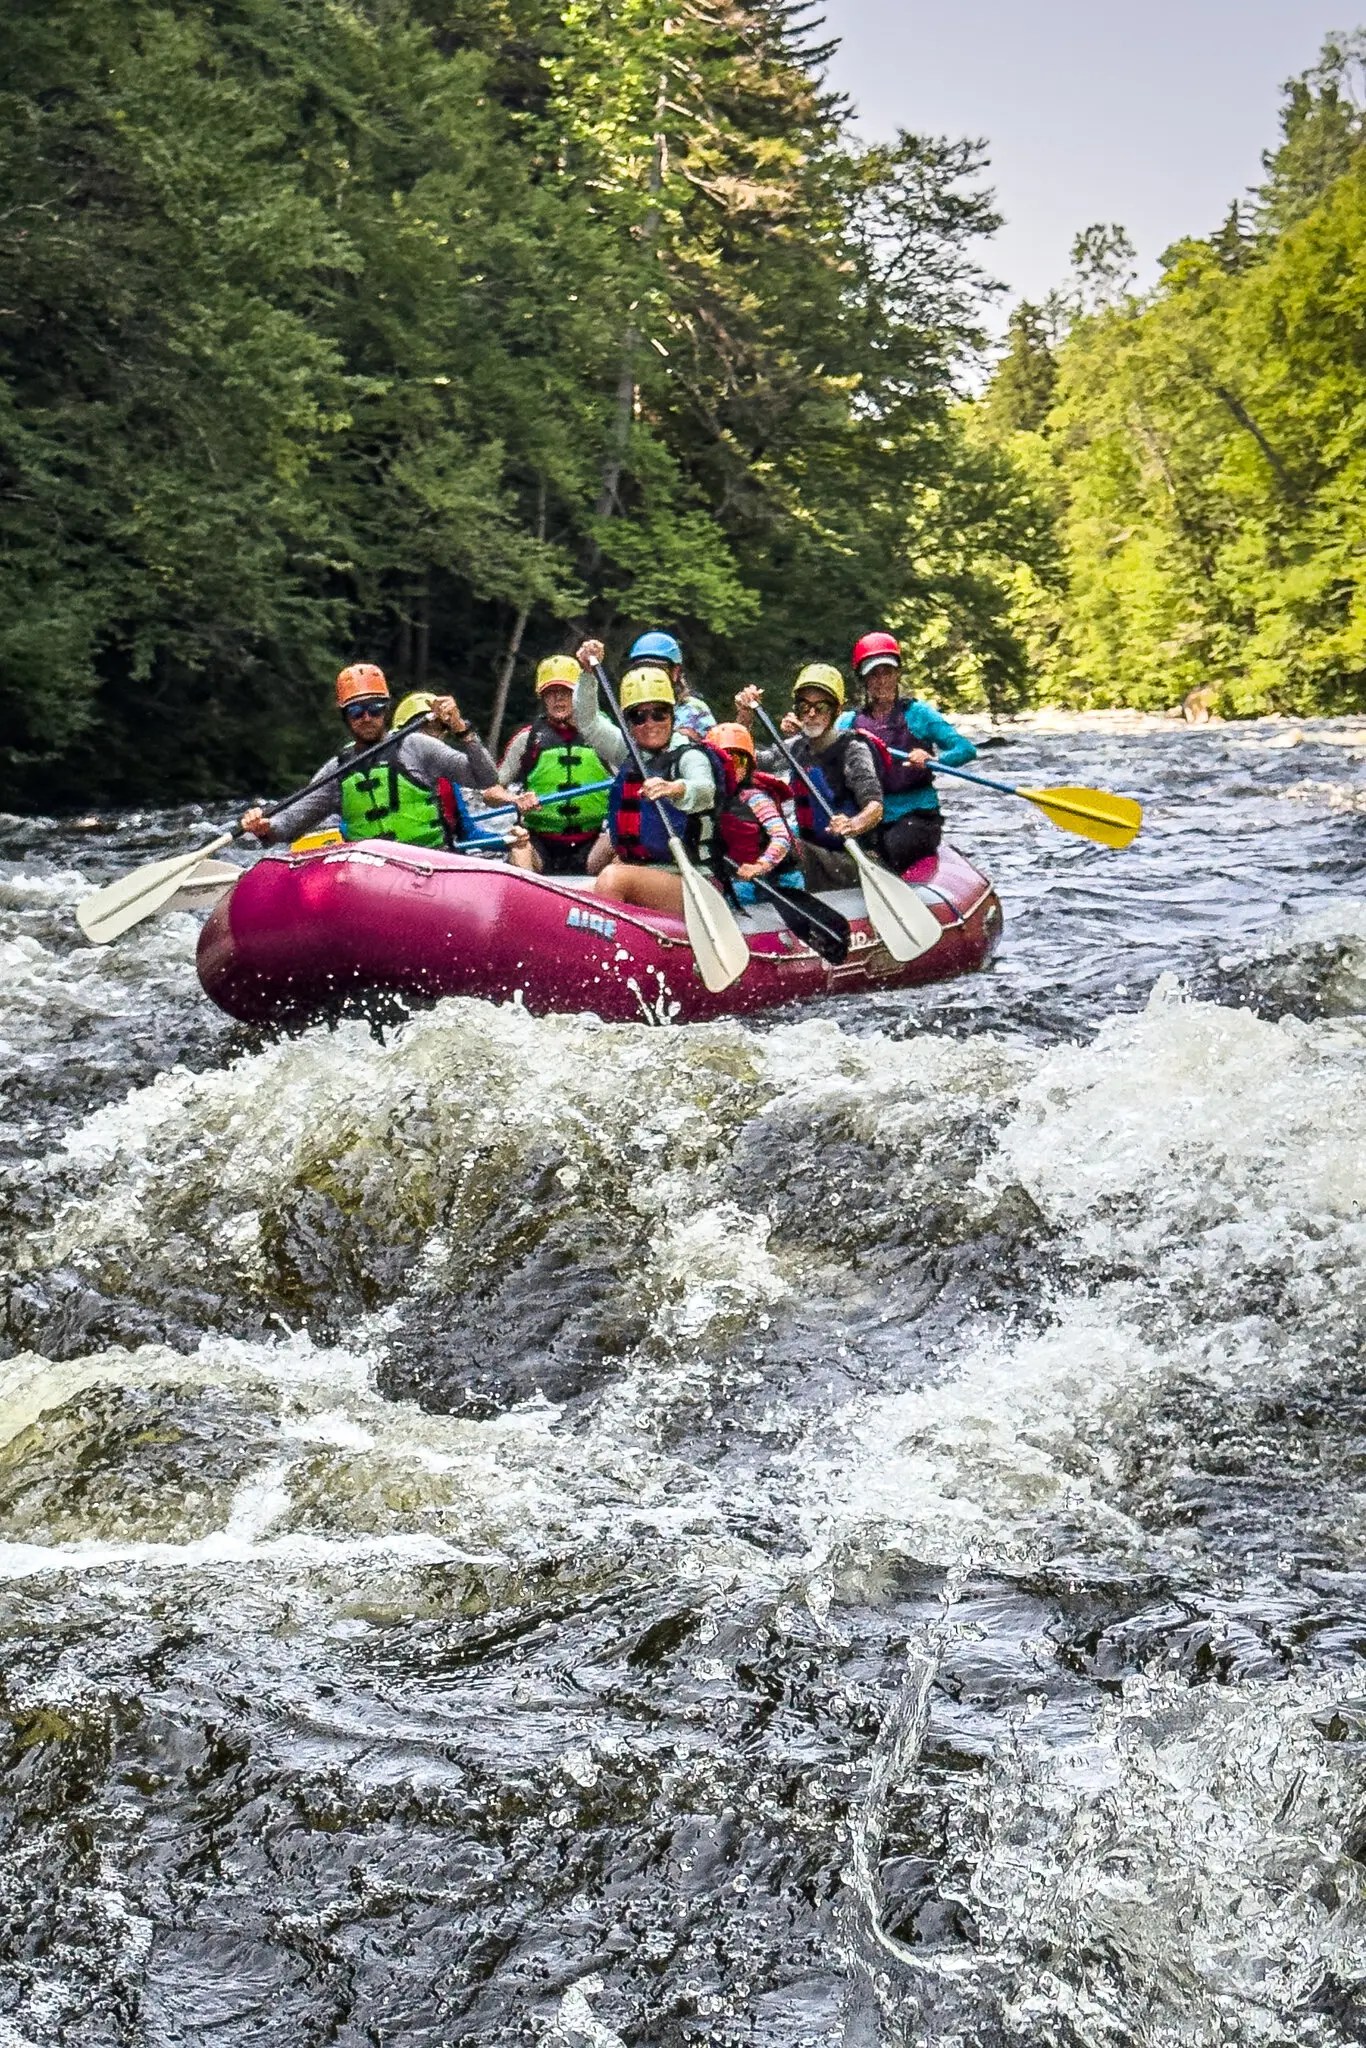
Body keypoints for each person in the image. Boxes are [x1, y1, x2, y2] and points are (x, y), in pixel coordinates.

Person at [241, 663, 538, 866]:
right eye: (357, 711)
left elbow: (485, 778)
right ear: (345, 716)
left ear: (386, 710)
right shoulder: (337, 770)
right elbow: (287, 826)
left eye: (375, 708)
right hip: (370, 873)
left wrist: (463, 730)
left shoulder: (418, 746)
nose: (367, 717)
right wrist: (264, 825)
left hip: (431, 864)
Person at [571, 638, 719, 914]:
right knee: (568, 897)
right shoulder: (627, 751)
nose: (649, 724)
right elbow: (588, 722)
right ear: (629, 722)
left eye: (659, 714)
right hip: (642, 874)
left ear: (673, 715)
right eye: (639, 717)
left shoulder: (689, 755)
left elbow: (704, 789)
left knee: (614, 877)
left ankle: (611, 952)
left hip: (692, 881)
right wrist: (587, 675)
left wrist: (675, 788)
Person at [733, 665, 882, 892]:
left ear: (837, 710)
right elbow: (743, 764)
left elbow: (875, 807)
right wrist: (745, 718)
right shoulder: (797, 746)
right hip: (813, 850)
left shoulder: (853, 749)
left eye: (821, 707)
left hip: (851, 858)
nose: (811, 714)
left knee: (789, 848)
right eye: (804, 706)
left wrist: (852, 824)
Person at [841, 632, 977, 868]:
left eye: (887, 672)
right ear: (863, 679)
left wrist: (933, 759)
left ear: (897, 674)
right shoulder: (849, 722)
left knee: (892, 848)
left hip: (918, 816)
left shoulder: (918, 714)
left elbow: (964, 749)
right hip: (868, 816)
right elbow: (820, 747)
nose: (881, 681)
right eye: (874, 674)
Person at [497, 655, 611, 875]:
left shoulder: (602, 737)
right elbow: (490, 792)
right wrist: (515, 799)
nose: (558, 699)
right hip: (541, 843)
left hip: (592, 843)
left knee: (619, 841)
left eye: (566, 692)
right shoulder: (527, 740)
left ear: (578, 695)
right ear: (543, 697)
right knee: (518, 846)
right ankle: (528, 901)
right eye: (551, 692)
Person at [704, 723, 801, 901]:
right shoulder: (712, 798)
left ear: (749, 764)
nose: (732, 769)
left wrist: (760, 865)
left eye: (738, 761)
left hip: (776, 879)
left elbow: (782, 836)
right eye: (724, 761)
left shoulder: (755, 797)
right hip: (740, 877)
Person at [628, 630, 715, 738]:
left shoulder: (695, 710)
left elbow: (714, 749)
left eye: (656, 669)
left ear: (675, 671)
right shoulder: (632, 710)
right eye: (642, 669)